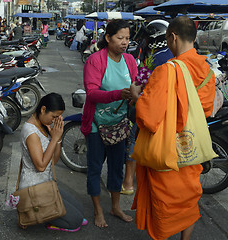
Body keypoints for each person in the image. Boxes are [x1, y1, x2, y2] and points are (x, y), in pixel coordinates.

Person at [130, 16, 215, 240]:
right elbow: (204, 109)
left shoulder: (167, 71)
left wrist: (138, 96)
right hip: (192, 147)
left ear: (173, 37)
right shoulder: (206, 70)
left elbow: (149, 117)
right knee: (188, 198)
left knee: (165, 202)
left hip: (167, 151)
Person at [81, 19, 138, 228]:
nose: (125, 42)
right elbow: (92, 92)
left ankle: (115, 207)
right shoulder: (95, 60)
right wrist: (117, 94)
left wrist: (136, 94)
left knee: (116, 169)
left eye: (128, 38)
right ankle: (98, 211)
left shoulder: (130, 60)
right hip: (97, 125)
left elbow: (136, 84)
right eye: (120, 38)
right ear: (108, 38)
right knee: (95, 168)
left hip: (120, 125)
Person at [19, 93, 87, 232]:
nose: (54, 120)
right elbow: (41, 166)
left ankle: (50, 215)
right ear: (43, 109)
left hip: (47, 184)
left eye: (58, 117)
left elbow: (54, 161)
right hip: (33, 190)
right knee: (75, 222)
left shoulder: (44, 125)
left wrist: (58, 138)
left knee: (81, 212)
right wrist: (54, 138)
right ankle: (39, 216)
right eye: (54, 116)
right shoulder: (30, 132)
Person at [121, 19, 174, 195]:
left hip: (151, 106)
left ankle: (128, 182)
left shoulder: (158, 57)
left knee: (134, 140)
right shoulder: (165, 54)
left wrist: (135, 96)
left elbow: (146, 84)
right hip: (164, 107)